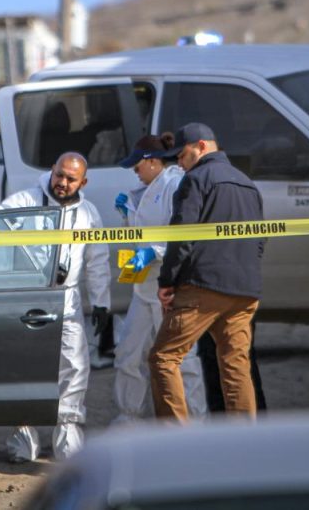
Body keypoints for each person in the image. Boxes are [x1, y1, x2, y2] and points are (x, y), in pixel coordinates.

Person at [0, 152, 111, 462]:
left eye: (70, 178)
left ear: (83, 182)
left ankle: (67, 445)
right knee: (22, 367)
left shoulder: (89, 214)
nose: (62, 182)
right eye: (59, 174)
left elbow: (97, 261)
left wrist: (102, 303)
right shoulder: (24, 200)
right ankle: (22, 443)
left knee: (73, 369)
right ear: (52, 169)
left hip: (67, 299)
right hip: (27, 297)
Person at [150, 122, 265, 419]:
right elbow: (260, 238)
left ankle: (178, 446)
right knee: (236, 366)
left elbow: (182, 236)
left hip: (203, 288)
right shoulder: (247, 183)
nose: (178, 161)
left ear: (201, 146)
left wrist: (167, 281)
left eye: (182, 154)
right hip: (245, 291)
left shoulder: (196, 179)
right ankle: (246, 450)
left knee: (163, 358)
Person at [113, 133, 207, 423]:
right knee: (128, 354)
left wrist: (151, 252)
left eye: (137, 166)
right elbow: (144, 230)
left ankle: (193, 425)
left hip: (170, 289)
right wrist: (128, 214)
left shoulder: (175, 184)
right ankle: (129, 419)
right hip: (144, 289)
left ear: (152, 162)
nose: (135, 172)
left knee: (182, 359)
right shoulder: (149, 187)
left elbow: (181, 236)